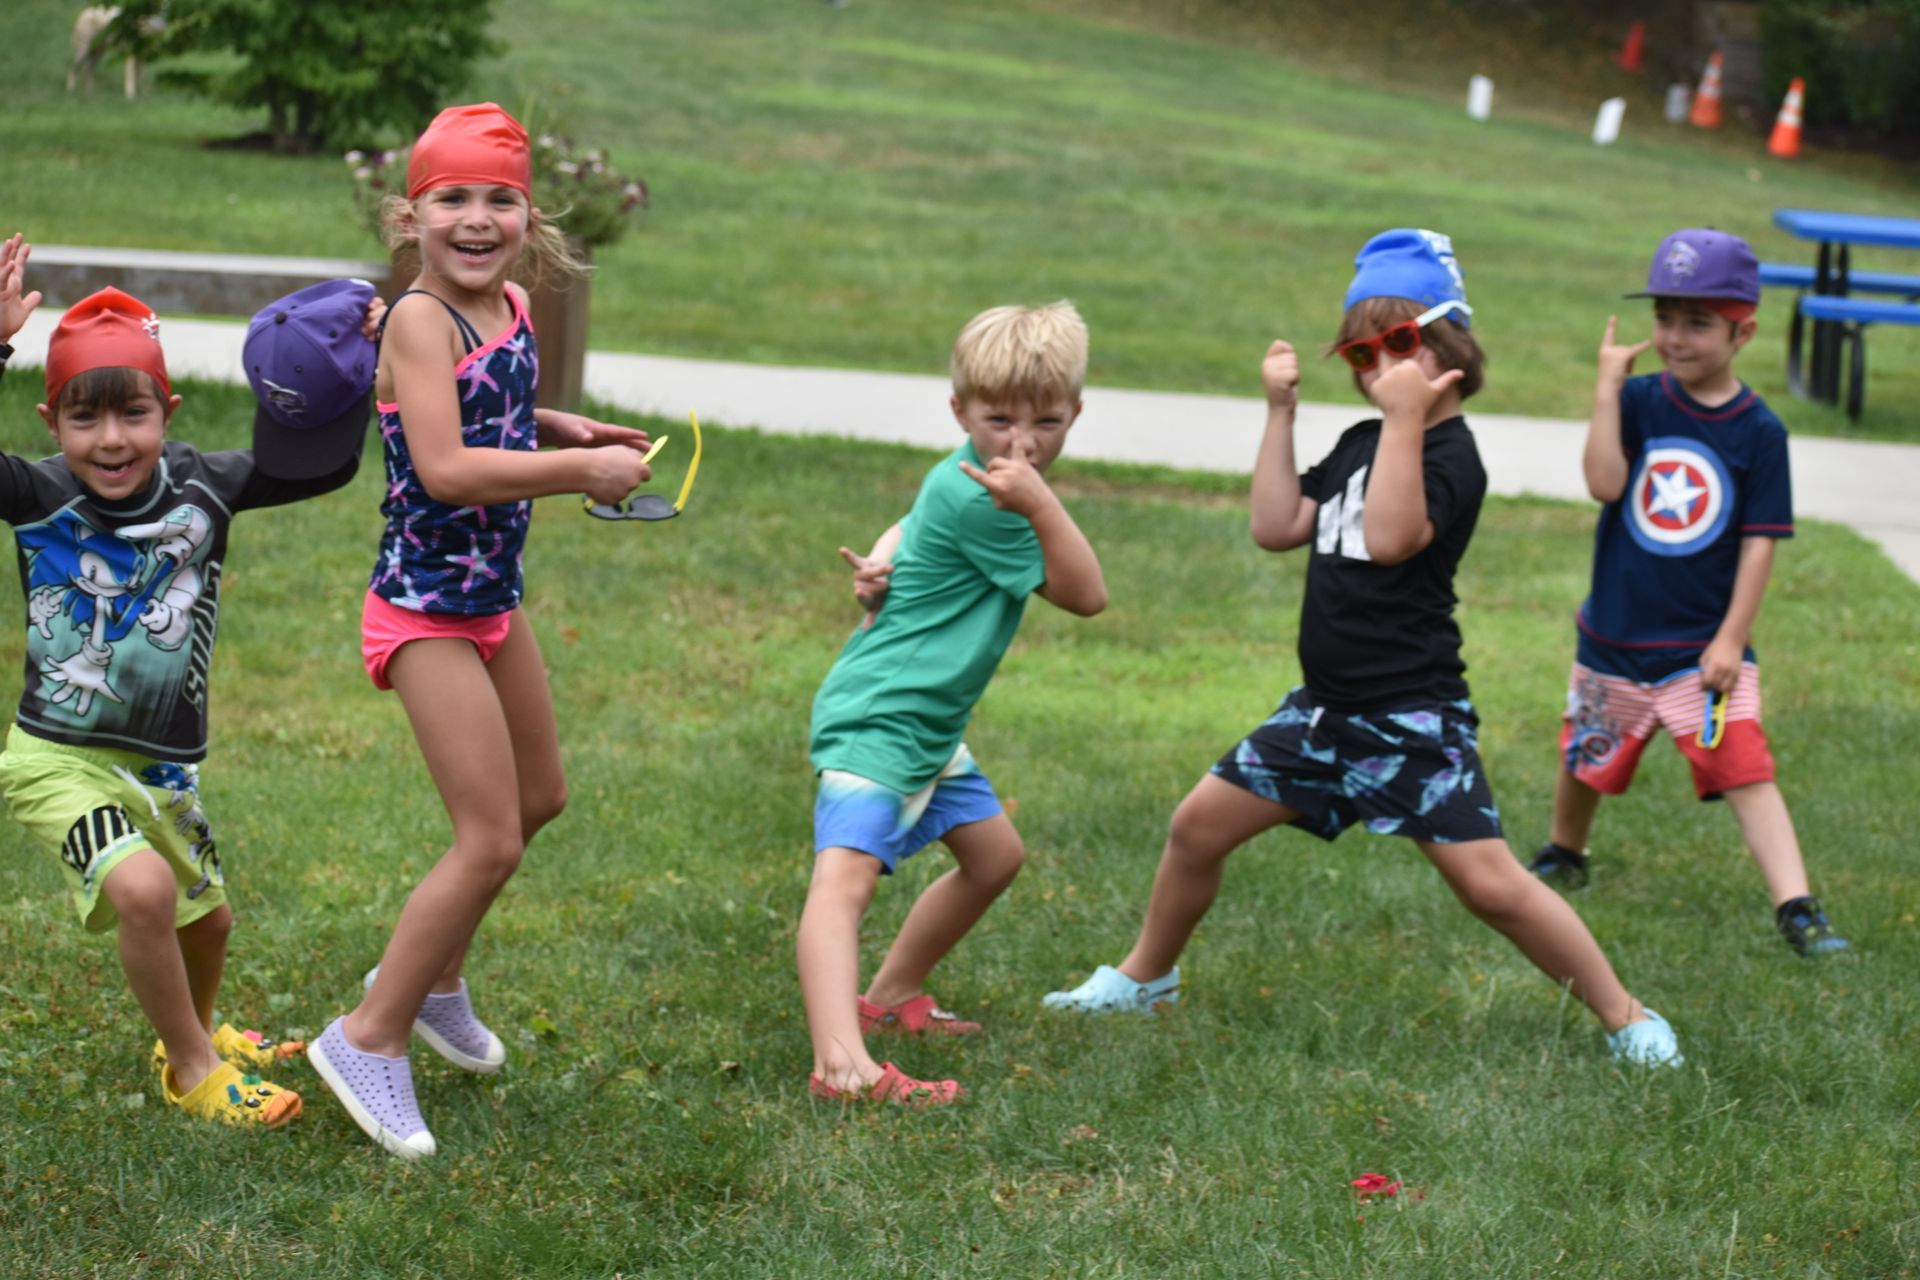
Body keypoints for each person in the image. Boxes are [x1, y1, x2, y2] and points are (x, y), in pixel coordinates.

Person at [1043, 230, 1682, 1066]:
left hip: (1409, 719)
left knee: (1490, 887)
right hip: (1322, 714)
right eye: (1361, 349)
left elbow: (1390, 540)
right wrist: (1281, 414)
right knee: (1197, 827)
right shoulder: (1360, 441)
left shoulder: (1453, 455)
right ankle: (1145, 979)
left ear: (1449, 343)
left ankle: (1627, 1016)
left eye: (1401, 342)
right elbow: (1277, 527)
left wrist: (1409, 420)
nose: (1378, 364)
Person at [305, 103, 655, 1159]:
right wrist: (580, 472)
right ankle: (368, 1034)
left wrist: (561, 425)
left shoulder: (509, 299)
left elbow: (481, 414)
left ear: (527, 213)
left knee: (539, 797)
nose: (476, 217)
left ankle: (432, 978)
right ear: (407, 213)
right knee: (489, 835)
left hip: (490, 600)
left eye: (499, 197)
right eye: (452, 197)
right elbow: (449, 468)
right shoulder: (416, 317)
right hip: (422, 610)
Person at [0, 235, 377, 1128]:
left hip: (164, 770)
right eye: (83, 419)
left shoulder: (203, 487)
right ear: (52, 423)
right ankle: (192, 1070)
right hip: (57, 756)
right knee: (145, 893)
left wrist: (352, 356)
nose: (112, 439)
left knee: (207, 924)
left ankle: (198, 1030)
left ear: (166, 410)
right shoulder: (37, 494)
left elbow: (318, 464)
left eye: (132, 412)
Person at [801, 300, 1108, 1103]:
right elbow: (1086, 595)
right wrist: (1041, 504)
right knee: (844, 885)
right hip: (881, 719)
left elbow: (916, 511)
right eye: (998, 419)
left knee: (994, 855)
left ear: (1076, 411)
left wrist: (885, 550)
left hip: (928, 725)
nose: (1022, 442)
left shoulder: (978, 475)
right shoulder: (994, 498)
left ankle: (893, 996)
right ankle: (842, 1067)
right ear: (959, 412)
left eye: (1047, 421)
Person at [1525, 228, 1846, 957]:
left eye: (1697, 322)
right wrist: (1606, 392)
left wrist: (1731, 637)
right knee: (1585, 754)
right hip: (1613, 636)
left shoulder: (1760, 432)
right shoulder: (1638, 402)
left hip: (1700, 653)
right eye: (1664, 318)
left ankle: (1797, 907)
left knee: (1743, 765)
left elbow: (1761, 539)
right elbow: (1605, 484)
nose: (1674, 336)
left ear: (1744, 332)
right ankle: (1564, 853)